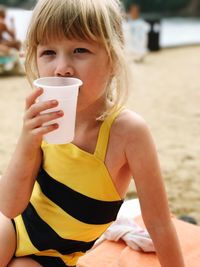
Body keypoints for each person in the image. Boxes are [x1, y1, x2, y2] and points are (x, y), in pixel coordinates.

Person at [0, 0, 185, 266]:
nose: (62, 68)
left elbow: (159, 223)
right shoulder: (42, 120)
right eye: (49, 52)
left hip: (55, 256)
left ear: (112, 59)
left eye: (79, 50)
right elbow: (8, 207)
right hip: (13, 226)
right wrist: (27, 141)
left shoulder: (128, 133)